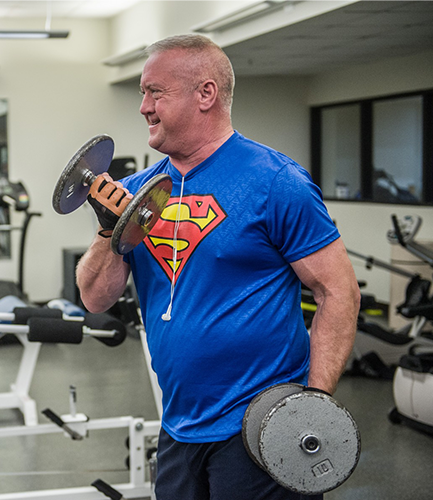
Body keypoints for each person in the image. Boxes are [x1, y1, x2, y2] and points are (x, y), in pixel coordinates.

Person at [76, 34, 360, 500]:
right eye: (143, 94)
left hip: (261, 424)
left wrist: (310, 409)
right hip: (179, 425)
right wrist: (111, 232)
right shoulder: (138, 192)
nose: (144, 107)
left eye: (155, 92)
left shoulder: (274, 181)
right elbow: (94, 297)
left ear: (205, 94)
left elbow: (339, 292)